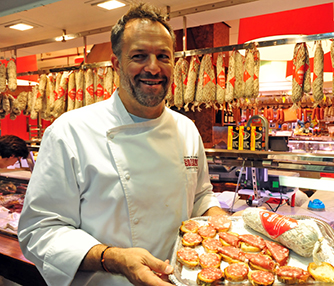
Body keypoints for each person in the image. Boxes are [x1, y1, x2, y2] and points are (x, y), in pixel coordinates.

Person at [18, 3, 228, 286]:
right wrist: (114, 259)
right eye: (139, 56)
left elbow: (200, 197)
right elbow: (39, 231)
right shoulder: (70, 132)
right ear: (116, 63)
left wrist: (226, 225)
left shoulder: (186, 129)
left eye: (163, 56)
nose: (153, 68)